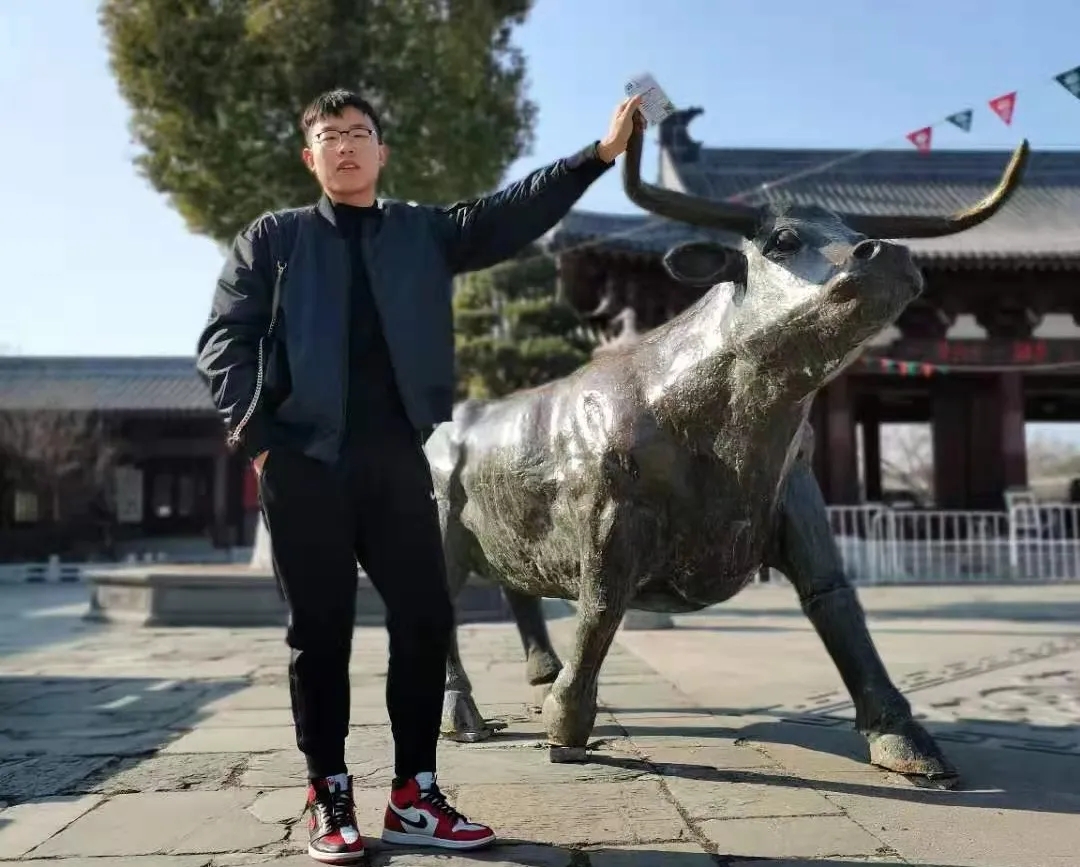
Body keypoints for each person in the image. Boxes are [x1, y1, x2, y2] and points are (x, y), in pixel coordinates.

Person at [195, 87, 643, 864]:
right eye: (329, 136)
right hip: (303, 463)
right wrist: (260, 441)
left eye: (359, 132)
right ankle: (328, 791)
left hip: (397, 459)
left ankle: (415, 794)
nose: (345, 146)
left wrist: (598, 156)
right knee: (319, 633)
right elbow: (223, 340)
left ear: (381, 151)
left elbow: (509, 212)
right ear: (310, 156)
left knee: (426, 618)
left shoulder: (419, 232)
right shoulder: (274, 239)